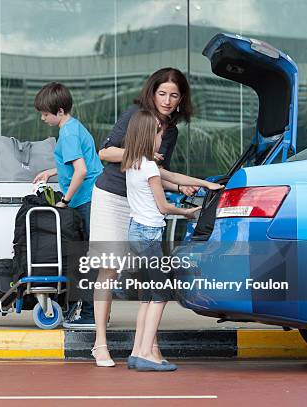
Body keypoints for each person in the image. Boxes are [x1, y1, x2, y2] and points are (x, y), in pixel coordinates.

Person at [90, 68, 198, 362]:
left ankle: (148, 344)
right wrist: (138, 154)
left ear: (181, 99)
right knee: (108, 269)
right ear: (152, 93)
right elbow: (105, 152)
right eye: (162, 93)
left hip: (142, 204)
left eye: (174, 95)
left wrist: (181, 186)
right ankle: (100, 342)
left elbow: (158, 174)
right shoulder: (135, 115)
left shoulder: (170, 131)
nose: (167, 100)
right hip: (112, 196)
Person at [121, 109, 222, 371]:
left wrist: (206, 184)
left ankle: (137, 352)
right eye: (159, 132)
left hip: (136, 232)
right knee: (160, 294)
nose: (162, 136)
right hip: (148, 234)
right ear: (149, 135)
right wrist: (187, 212)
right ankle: (146, 355)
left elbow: (174, 178)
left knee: (147, 296)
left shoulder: (134, 162)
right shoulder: (150, 166)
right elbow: (164, 206)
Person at [32, 82, 103, 326]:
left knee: (87, 259)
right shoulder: (74, 128)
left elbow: (81, 171)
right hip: (92, 198)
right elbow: (78, 163)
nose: (43, 118)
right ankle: (89, 313)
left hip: (86, 200)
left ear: (60, 111)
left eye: (45, 113)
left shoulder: (68, 133)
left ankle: (89, 315)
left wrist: (64, 200)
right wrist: (52, 172)